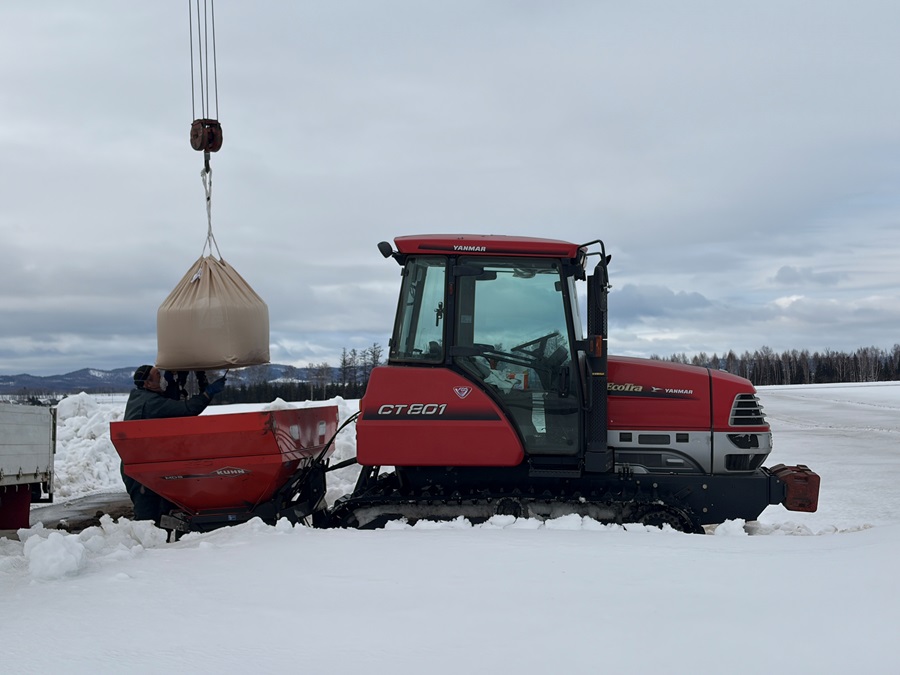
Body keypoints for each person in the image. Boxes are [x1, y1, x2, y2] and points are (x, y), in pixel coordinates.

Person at [121, 364, 227, 524]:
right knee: (148, 518)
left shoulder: (141, 395)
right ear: (148, 384)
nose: (162, 378)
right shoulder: (151, 403)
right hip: (141, 470)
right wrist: (207, 393)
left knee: (165, 510)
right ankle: (148, 547)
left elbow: (167, 397)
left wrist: (177, 378)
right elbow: (187, 409)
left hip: (145, 463)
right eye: (159, 376)